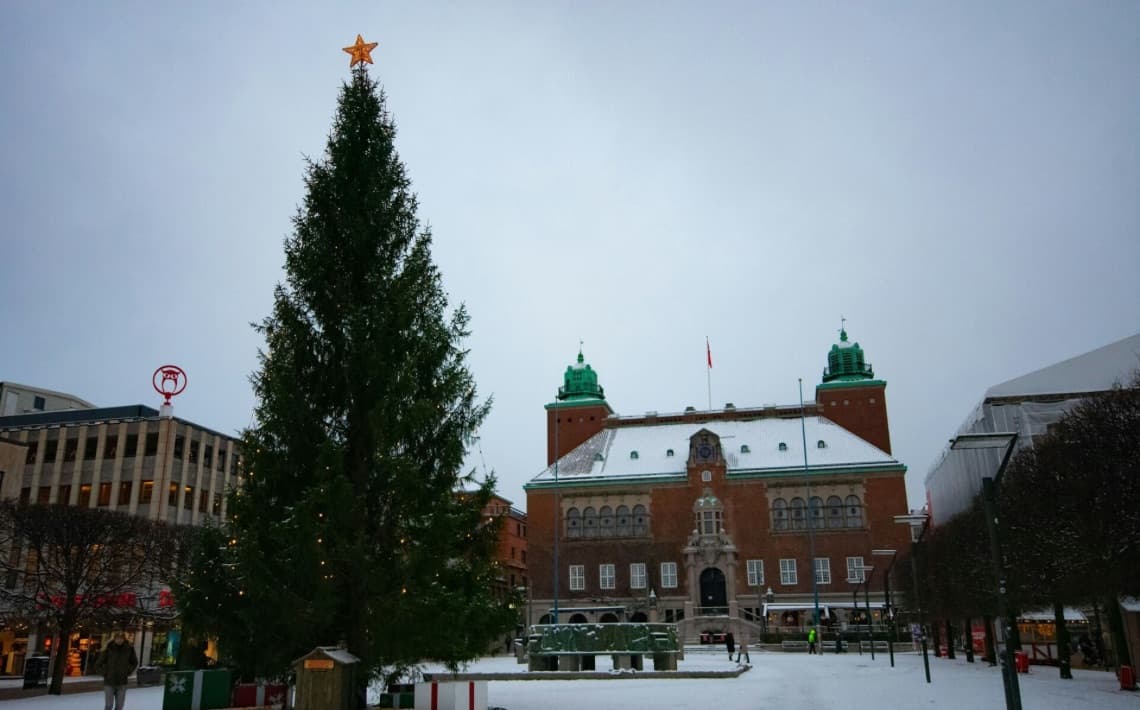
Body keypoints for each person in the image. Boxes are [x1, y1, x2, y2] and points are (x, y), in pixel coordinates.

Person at [94, 629, 138, 710]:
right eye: (117, 638)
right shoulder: (108, 648)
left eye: (121, 638)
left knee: (119, 706)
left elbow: (134, 662)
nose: (119, 640)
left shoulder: (129, 648)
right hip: (109, 682)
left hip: (122, 682)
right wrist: (105, 673)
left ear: (124, 639)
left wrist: (128, 671)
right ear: (114, 638)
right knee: (109, 705)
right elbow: (98, 664)